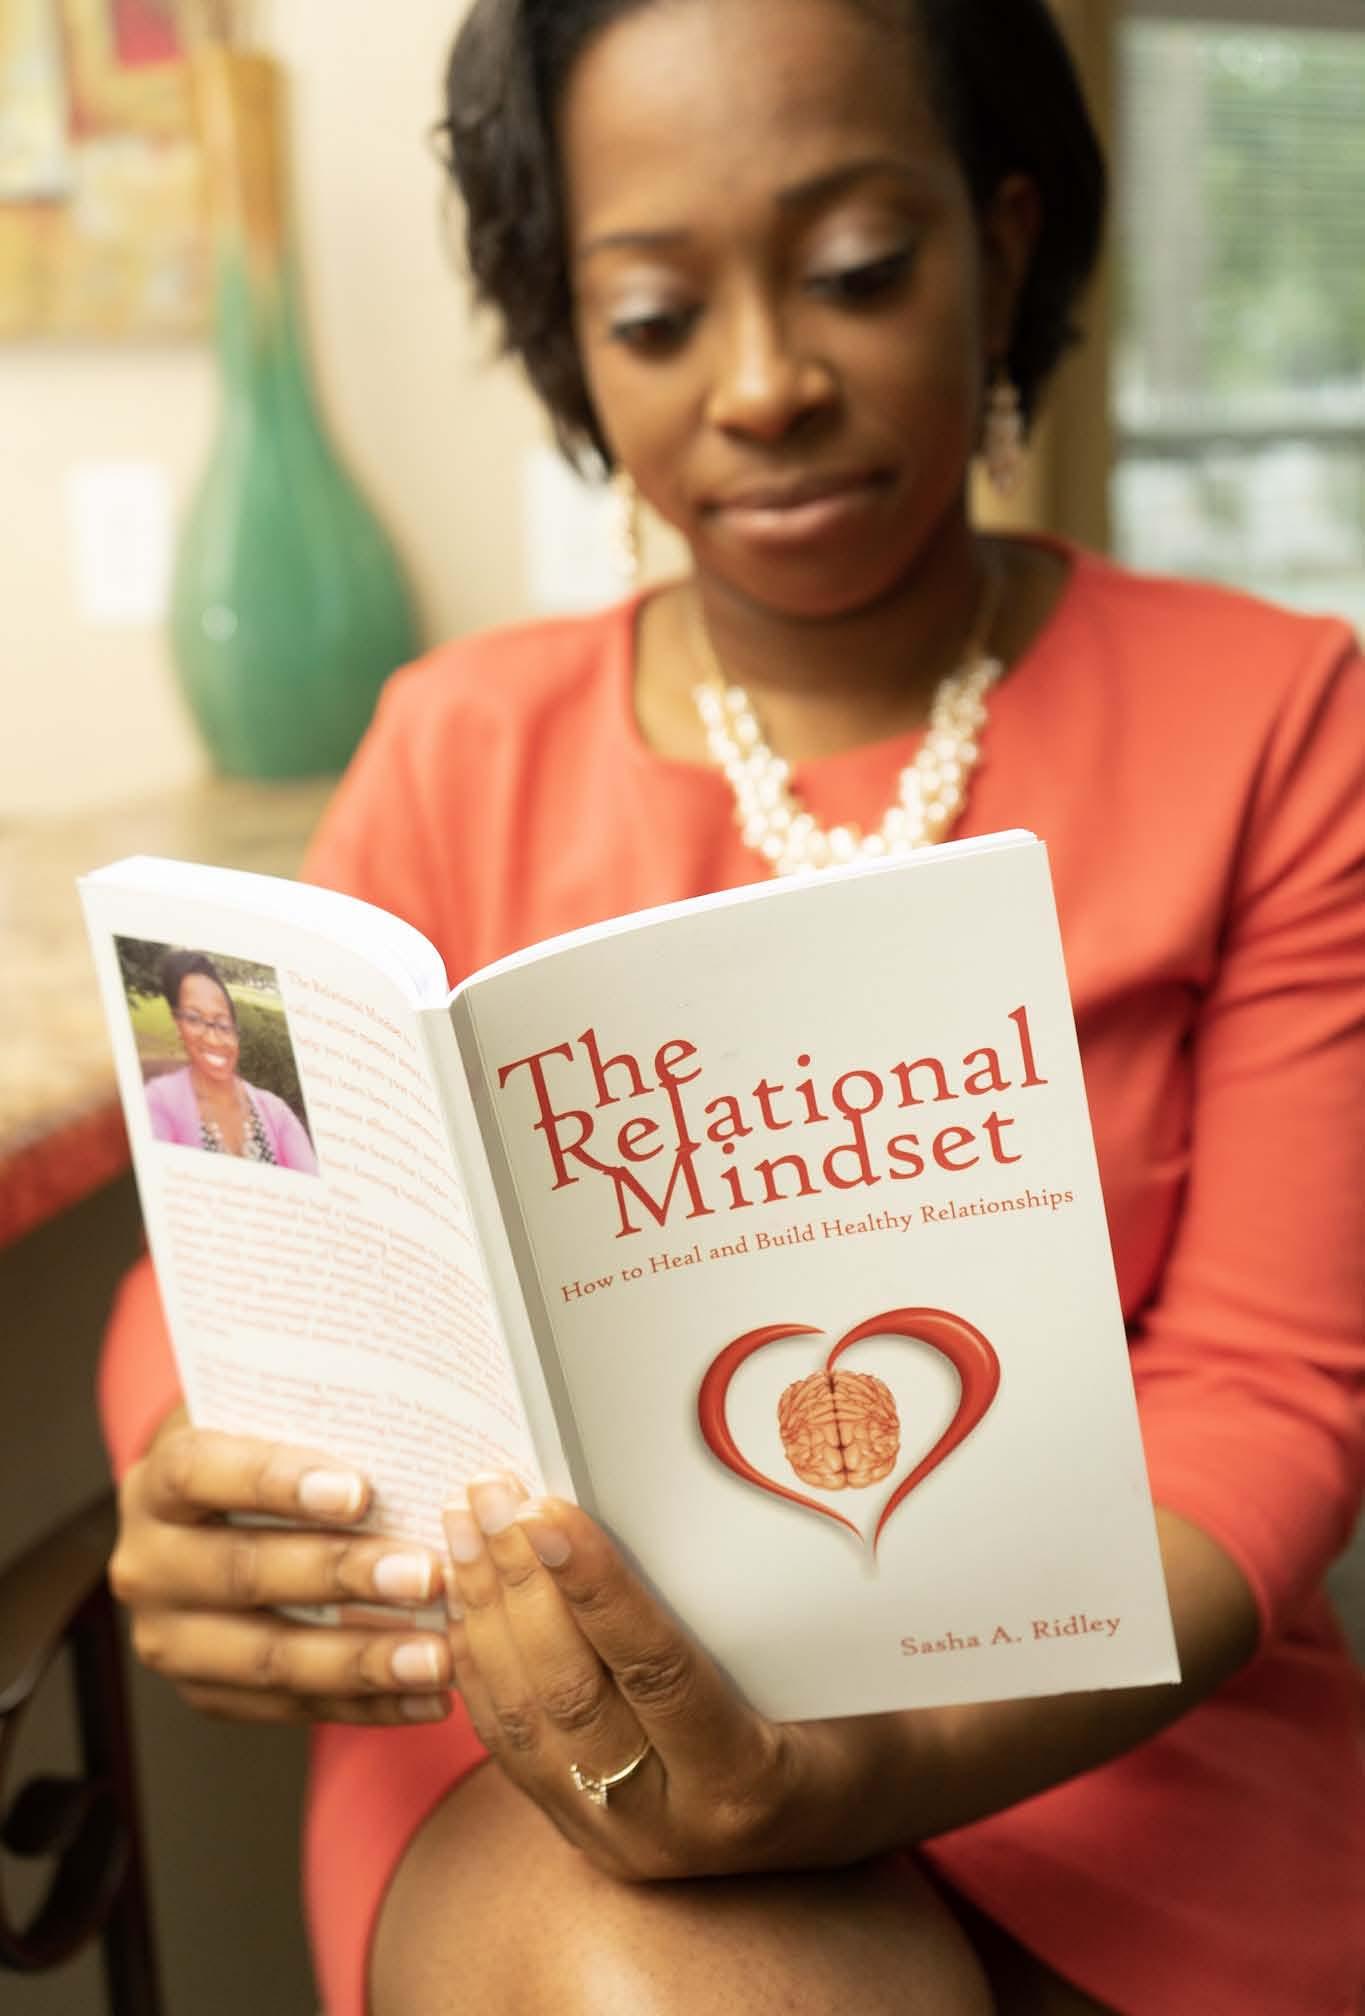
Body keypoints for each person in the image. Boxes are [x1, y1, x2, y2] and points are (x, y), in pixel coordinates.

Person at [99, 1, 1364, 2011]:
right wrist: (202, 1467)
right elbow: (235, 1227)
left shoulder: (1280, 722)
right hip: (558, 1730)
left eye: (856, 270)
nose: (766, 384)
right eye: (656, 314)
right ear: (569, 337)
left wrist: (874, 1768)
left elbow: (1268, 1393)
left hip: (1122, 1735)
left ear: (1002, 240)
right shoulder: (453, 746)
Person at [143, 949, 319, 1173]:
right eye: (194, 1018)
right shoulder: (159, 1103)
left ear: (236, 1032)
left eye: (223, 1023)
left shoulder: (276, 1113)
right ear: (178, 1024)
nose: (213, 1038)